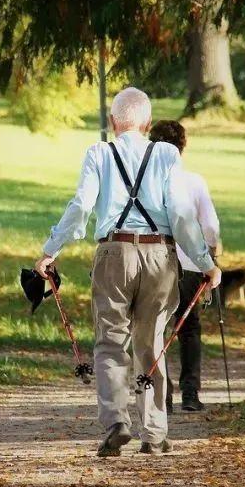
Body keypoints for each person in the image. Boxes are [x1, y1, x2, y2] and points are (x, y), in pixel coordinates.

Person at [35, 87, 222, 457]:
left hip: (113, 253)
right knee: (152, 343)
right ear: (148, 124)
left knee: (109, 341)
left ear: (112, 123)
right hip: (159, 255)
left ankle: (116, 423)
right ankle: (154, 433)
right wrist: (206, 263)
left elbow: (81, 206)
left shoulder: (98, 153)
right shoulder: (167, 154)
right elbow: (182, 216)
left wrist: (50, 251)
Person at [148, 120, 221, 413]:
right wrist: (211, 255)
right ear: (183, 147)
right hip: (191, 263)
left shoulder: (145, 183)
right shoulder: (194, 182)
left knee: (157, 327)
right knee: (189, 328)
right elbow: (211, 226)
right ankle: (190, 393)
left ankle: (161, 396)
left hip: (156, 262)